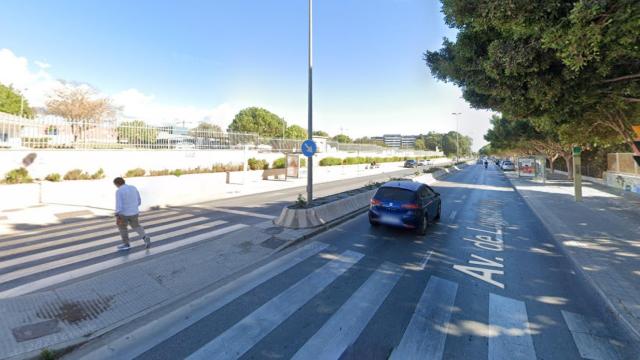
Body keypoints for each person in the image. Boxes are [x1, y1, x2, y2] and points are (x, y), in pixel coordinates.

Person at [113, 177, 150, 251]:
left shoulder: (119, 191)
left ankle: (126, 244)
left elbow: (119, 204)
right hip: (134, 212)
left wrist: (117, 214)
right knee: (136, 226)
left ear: (116, 184)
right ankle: (145, 237)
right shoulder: (133, 187)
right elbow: (139, 200)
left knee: (122, 228)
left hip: (124, 213)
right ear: (124, 181)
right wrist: (134, 207)